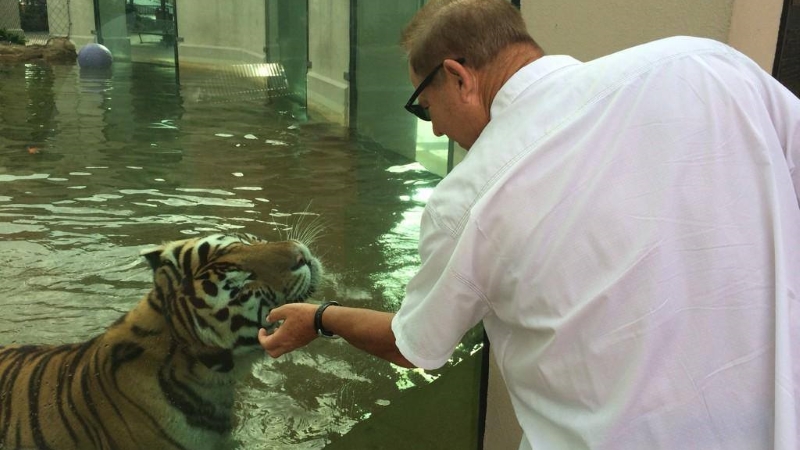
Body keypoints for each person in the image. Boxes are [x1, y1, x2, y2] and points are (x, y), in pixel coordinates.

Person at [259, 0, 800, 448]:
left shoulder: (468, 199)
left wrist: (321, 317)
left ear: (457, 77)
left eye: (425, 109)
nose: (440, 130)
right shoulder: (705, 66)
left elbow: (414, 346)